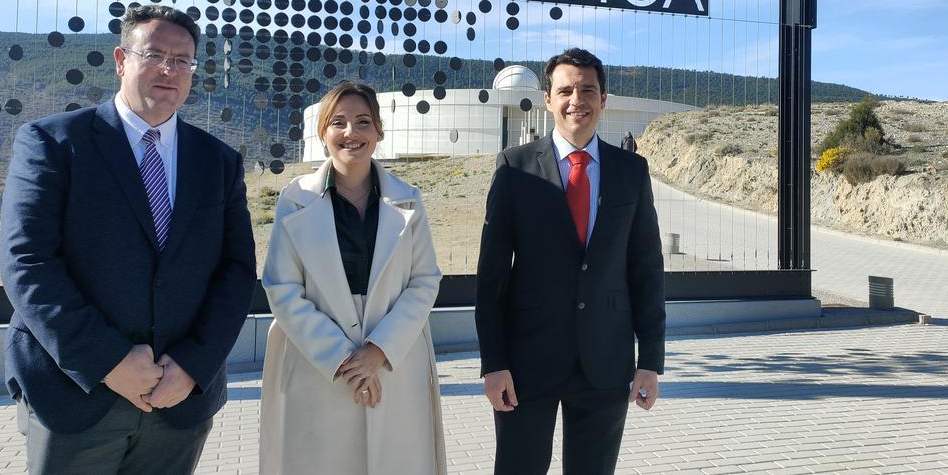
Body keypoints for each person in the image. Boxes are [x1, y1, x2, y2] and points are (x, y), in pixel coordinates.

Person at [0, 5, 257, 474]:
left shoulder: (218, 161)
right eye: (154, 54)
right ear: (121, 60)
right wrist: (108, 361)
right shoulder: (53, 142)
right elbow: (27, 262)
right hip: (76, 394)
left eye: (183, 60)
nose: (169, 69)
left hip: (179, 400)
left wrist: (193, 365)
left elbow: (235, 272)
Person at [475, 48, 666, 475]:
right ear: (547, 99)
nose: (575, 99)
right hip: (526, 364)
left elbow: (646, 270)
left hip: (606, 363)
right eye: (565, 90)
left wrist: (650, 361)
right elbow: (491, 277)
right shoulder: (514, 168)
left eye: (587, 90)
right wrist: (493, 363)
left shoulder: (631, 171)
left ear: (603, 100)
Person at [259, 81, 446, 475]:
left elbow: (424, 280)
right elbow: (282, 289)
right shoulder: (295, 201)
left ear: (379, 130)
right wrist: (346, 359)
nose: (351, 133)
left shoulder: (408, 199)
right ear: (323, 132)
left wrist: (378, 351)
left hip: (395, 362)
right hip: (318, 366)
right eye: (338, 122)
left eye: (363, 122)